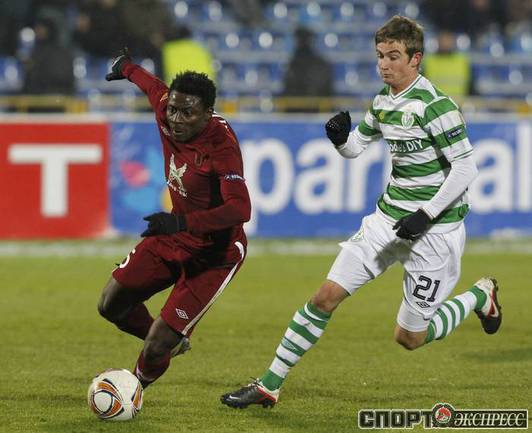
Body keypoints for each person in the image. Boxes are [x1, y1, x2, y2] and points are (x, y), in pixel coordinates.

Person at [220, 15, 502, 409]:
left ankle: (479, 296)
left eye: (393, 56)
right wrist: (339, 139)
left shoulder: (436, 106)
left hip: (435, 233)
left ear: (415, 59)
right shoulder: (383, 102)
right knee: (324, 297)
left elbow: (466, 168)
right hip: (386, 223)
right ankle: (269, 385)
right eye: (380, 56)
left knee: (409, 338)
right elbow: (356, 147)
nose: (384, 64)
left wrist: (426, 215)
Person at [98, 48, 251, 389]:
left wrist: (182, 223)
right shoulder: (167, 107)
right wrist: (125, 66)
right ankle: (170, 340)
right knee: (111, 304)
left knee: (155, 348)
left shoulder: (221, 146)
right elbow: (151, 85)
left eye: (187, 113)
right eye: (173, 110)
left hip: (215, 254)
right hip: (173, 234)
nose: (176, 119)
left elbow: (240, 210)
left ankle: (134, 389)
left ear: (207, 114)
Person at [280, 27, 333, 112]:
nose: (298, 42)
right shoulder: (293, 63)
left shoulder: (320, 63)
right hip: (296, 109)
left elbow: (325, 90)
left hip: (313, 109)